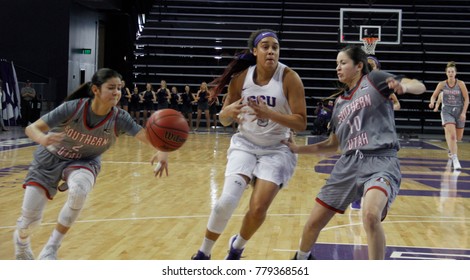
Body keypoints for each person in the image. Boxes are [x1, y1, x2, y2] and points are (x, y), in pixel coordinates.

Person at [285, 45, 426, 260]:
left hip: (381, 160)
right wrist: (297, 149)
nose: (338, 68)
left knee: (370, 215)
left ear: (359, 66)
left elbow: (419, 85)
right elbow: (332, 145)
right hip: (348, 164)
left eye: (343, 63)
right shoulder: (339, 105)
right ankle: (301, 260)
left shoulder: (375, 80)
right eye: (336, 64)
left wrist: (404, 87)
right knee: (313, 223)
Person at [13, 68, 169, 260]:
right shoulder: (73, 108)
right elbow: (32, 128)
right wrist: (43, 139)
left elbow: (145, 136)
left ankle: (51, 248)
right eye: (111, 88)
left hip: (85, 161)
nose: (117, 93)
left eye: (119, 88)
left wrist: (163, 149)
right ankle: (21, 244)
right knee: (29, 221)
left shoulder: (120, 118)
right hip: (50, 158)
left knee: (79, 191)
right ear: (95, 90)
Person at [191, 29, 307, 260]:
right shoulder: (241, 78)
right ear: (255, 51)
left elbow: (301, 122)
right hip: (245, 144)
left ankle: (237, 248)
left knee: (258, 209)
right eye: (265, 46)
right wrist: (226, 112)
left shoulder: (289, 78)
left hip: (277, 148)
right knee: (226, 201)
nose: (271, 51)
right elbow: (224, 120)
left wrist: (270, 113)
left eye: (275, 47)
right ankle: (203, 254)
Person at [350, 55, 401, 210]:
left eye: (372, 64)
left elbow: (397, 104)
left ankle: (374, 193)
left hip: (378, 131)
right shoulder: (356, 85)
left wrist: (387, 107)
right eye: (368, 64)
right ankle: (357, 196)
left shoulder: (383, 87)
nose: (370, 66)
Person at [429, 61, 469, 170]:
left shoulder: (461, 84)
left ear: (455, 73)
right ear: (446, 73)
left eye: (452, 71)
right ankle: (455, 158)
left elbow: (467, 99)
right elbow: (433, 96)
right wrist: (432, 102)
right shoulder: (442, 84)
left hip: (459, 110)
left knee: (458, 138)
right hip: (447, 110)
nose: (450, 73)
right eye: (449, 71)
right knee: (452, 135)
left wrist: (464, 112)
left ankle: (451, 149)